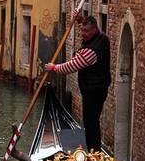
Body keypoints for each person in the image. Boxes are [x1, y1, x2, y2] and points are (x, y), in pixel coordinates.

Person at [44, 10, 110, 152]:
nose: (82, 33)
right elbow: (86, 26)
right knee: (92, 122)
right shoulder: (102, 38)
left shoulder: (90, 51)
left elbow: (70, 66)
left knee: (90, 123)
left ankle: (94, 153)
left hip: (93, 91)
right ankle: (94, 152)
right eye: (82, 30)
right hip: (99, 88)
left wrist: (53, 67)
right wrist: (80, 19)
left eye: (86, 31)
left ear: (94, 30)